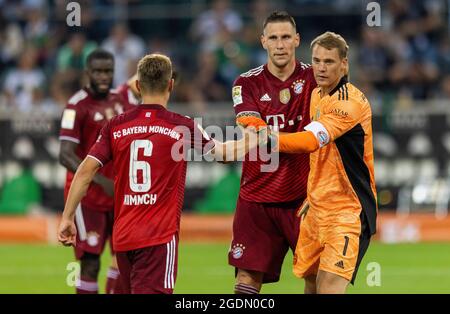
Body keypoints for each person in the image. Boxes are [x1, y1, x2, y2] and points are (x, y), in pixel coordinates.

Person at [57, 53, 263, 294]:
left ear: (138, 85)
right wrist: (256, 136)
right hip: (158, 238)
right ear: (171, 84)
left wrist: (67, 217)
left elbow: (84, 172)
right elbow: (224, 154)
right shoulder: (181, 125)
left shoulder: (115, 125)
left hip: (123, 237)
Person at [273, 31, 377, 294]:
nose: (320, 67)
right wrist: (314, 191)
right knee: (310, 283)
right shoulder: (318, 94)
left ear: (344, 64)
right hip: (317, 206)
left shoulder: (348, 104)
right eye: (316, 60)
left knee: (329, 287)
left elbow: (309, 142)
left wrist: (265, 138)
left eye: (329, 62)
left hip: (347, 210)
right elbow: (323, 155)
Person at [229, 10, 316, 294]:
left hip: (303, 199)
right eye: (274, 38)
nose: (280, 44)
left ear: (297, 40)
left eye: (286, 37)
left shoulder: (316, 79)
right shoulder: (246, 83)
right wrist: (300, 139)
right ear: (263, 41)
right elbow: (252, 130)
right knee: (246, 279)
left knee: (316, 277)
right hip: (257, 199)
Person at [58, 49, 134, 294]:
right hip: (87, 197)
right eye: (98, 71)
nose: (104, 76)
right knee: (90, 264)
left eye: (108, 71)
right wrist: (101, 181)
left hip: (118, 196)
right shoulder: (76, 105)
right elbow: (65, 154)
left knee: (123, 259)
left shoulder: (119, 101)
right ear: (87, 73)